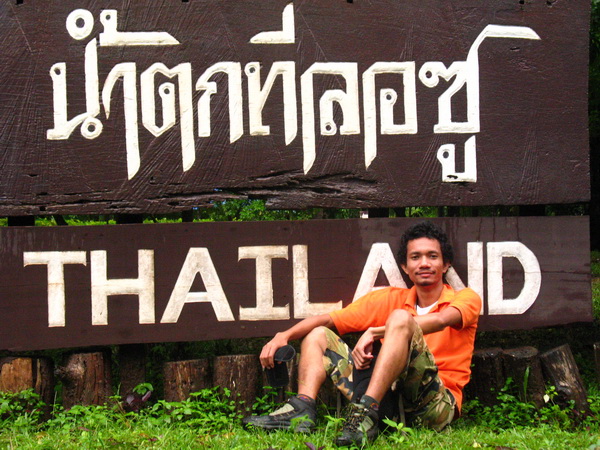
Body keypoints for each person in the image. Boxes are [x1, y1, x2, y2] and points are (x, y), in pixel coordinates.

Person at [243, 221, 482, 446]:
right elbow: (329, 319)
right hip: (391, 402)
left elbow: (440, 321)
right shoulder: (391, 299)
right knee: (318, 335)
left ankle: (365, 412)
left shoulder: (465, 298)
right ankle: (302, 409)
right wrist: (284, 335)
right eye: (415, 257)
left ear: (446, 264)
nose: (424, 263)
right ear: (405, 267)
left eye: (433, 256)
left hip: (435, 406)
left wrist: (375, 333)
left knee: (400, 318)